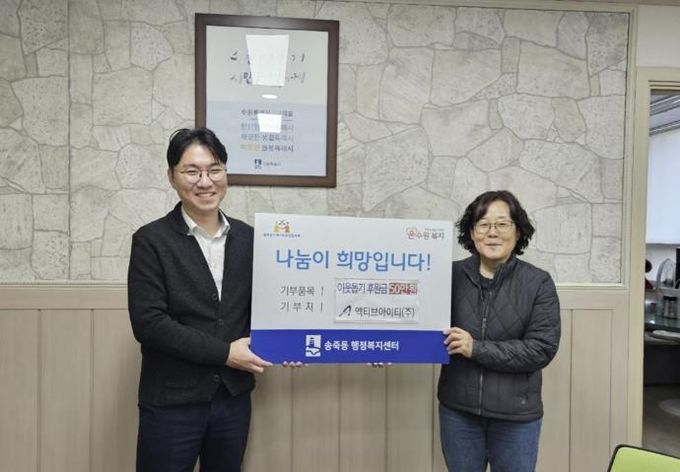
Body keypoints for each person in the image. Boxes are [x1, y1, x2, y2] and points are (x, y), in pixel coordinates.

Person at [128, 127, 272, 472]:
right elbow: (150, 324)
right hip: (171, 402)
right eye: (192, 171)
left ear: (226, 174)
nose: (205, 181)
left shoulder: (251, 239)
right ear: (171, 177)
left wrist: (289, 345)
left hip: (233, 400)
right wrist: (225, 353)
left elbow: (267, 311)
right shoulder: (151, 240)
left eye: (214, 169)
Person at [438, 190, 561, 472]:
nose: (492, 232)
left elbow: (541, 349)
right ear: (472, 232)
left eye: (502, 224)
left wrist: (476, 348)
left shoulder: (538, 283)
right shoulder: (449, 276)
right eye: (483, 224)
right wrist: (390, 346)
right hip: (458, 412)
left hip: (516, 416)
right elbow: (416, 322)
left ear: (518, 231)